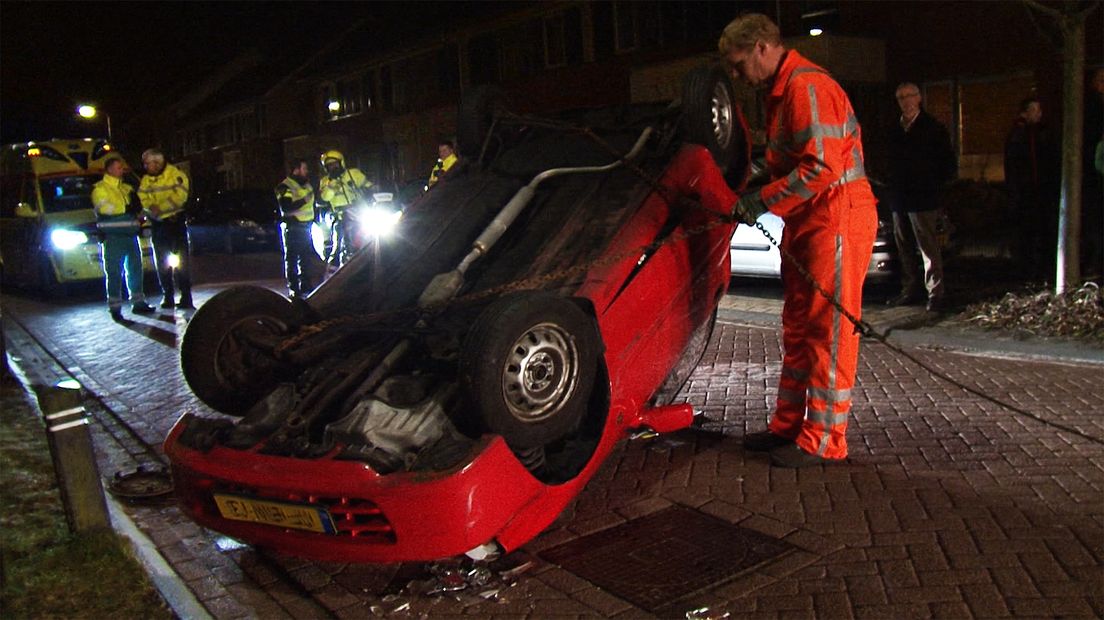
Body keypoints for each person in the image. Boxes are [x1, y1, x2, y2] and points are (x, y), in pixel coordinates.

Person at [720, 13, 878, 468]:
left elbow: (821, 168)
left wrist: (761, 199)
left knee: (828, 329)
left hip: (837, 216)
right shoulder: (784, 92)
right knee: (799, 324)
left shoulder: (807, 88)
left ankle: (826, 440)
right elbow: (792, 163)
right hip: (815, 217)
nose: (737, 76)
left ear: (763, 49)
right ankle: (788, 425)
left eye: (738, 64)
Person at [886, 82, 956, 312]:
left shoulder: (933, 128)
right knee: (904, 247)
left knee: (928, 247)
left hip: (923, 198)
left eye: (909, 96)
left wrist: (934, 186)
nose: (905, 101)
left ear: (918, 99)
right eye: (901, 97)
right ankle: (910, 288)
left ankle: (936, 292)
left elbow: (947, 163)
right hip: (900, 197)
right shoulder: (894, 129)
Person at [92, 155, 155, 321]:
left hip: (130, 236)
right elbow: (105, 209)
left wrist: (139, 212)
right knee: (114, 273)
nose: (122, 170)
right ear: (110, 169)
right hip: (113, 239)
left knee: (135, 270)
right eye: (119, 167)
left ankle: (138, 303)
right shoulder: (100, 189)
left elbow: (137, 209)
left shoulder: (126, 188)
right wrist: (127, 209)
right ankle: (115, 308)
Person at [1004, 97, 1058, 274]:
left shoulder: (1043, 133)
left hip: (1041, 190)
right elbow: (1014, 166)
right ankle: (1027, 265)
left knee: (1043, 228)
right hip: (1026, 192)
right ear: (1024, 113)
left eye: (1039, 110)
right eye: (1034, 110)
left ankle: (1042, 263)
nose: (1038, 114)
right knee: (1027, 229)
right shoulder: (1018, 135)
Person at [137, 148, 194, 309]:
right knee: (162, 262)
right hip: (158, 225)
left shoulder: (176, 175)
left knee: (182, 261)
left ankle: (186, 296)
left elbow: (180, 198)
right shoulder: (146, 180)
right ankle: (167, 295)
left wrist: (159, 207)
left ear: (158, 162)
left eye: (148, 163)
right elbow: (142, 197)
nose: (146, 166)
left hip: (175, 223)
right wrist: (150, 207)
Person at [275, 158, 322, 298]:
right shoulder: (285, 186)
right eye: (304, 168)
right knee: (292, 259)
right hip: (293, 227)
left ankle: (306, 285)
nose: (306, 171)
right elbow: (286, 207)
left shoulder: (306, 185)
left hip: (306, 227)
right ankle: (294, 288)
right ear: (296, 169)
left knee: (306, 259)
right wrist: (304, 201)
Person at [317, 150, 372, 266]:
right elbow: (324, 198)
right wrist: (331, 185)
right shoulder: (325, 181)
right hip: (340, 217)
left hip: (359, 215)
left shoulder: (353, 174)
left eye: (335, 164)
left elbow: (369, 187)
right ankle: (334, 271)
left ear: (341, 163)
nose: (333, 167)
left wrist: (371, 193)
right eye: (330, 166)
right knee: (339, 246)